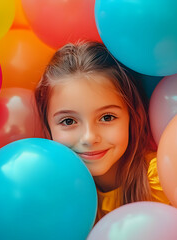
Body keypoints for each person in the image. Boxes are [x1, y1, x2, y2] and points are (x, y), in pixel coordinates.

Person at [35, 41, 169, 221]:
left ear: (133, 115)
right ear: (47, 125)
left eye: (107, 117)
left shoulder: (164, 181)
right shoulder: (46, 193)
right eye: (68, 121)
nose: (89, 138)